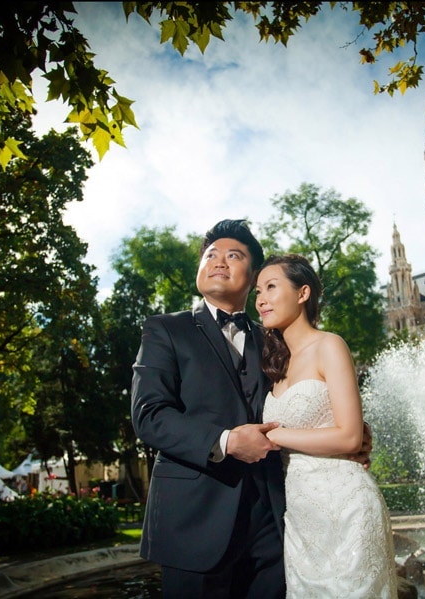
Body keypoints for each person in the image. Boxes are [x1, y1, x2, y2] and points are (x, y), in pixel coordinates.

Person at [131, 219, 287, 598]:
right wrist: (227, 441)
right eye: (211, 254)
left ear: (253, 278)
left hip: (272, 521)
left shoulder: (274, 338)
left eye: (233, 255)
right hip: (193, 520)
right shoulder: (165, 329)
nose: (219, 261)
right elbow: (149, 414)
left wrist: (349, 438)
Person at [255, 254, 398, 598]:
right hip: (301, 521)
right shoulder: (275, 363)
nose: (260, 299)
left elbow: (350, 437)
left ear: (302, 293)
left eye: (271, 287)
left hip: (347, 508)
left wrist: (272, 435)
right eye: (257, 292)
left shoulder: (330, 346)